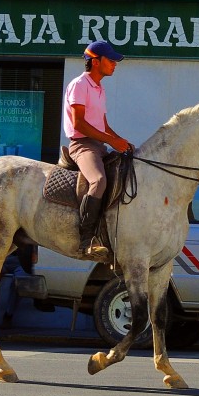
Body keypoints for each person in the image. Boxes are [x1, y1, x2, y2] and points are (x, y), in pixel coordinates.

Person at [63, 40, 133, 259]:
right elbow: (79, 124)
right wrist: (111, 142)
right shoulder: (80, 84)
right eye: (110, 60)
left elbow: (102, 124)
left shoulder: (99, 88)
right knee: (99, 181)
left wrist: (120, 140)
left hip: (98, 145)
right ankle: (85, 241)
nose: (114, 64)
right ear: (95, 61)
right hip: (82, 145)